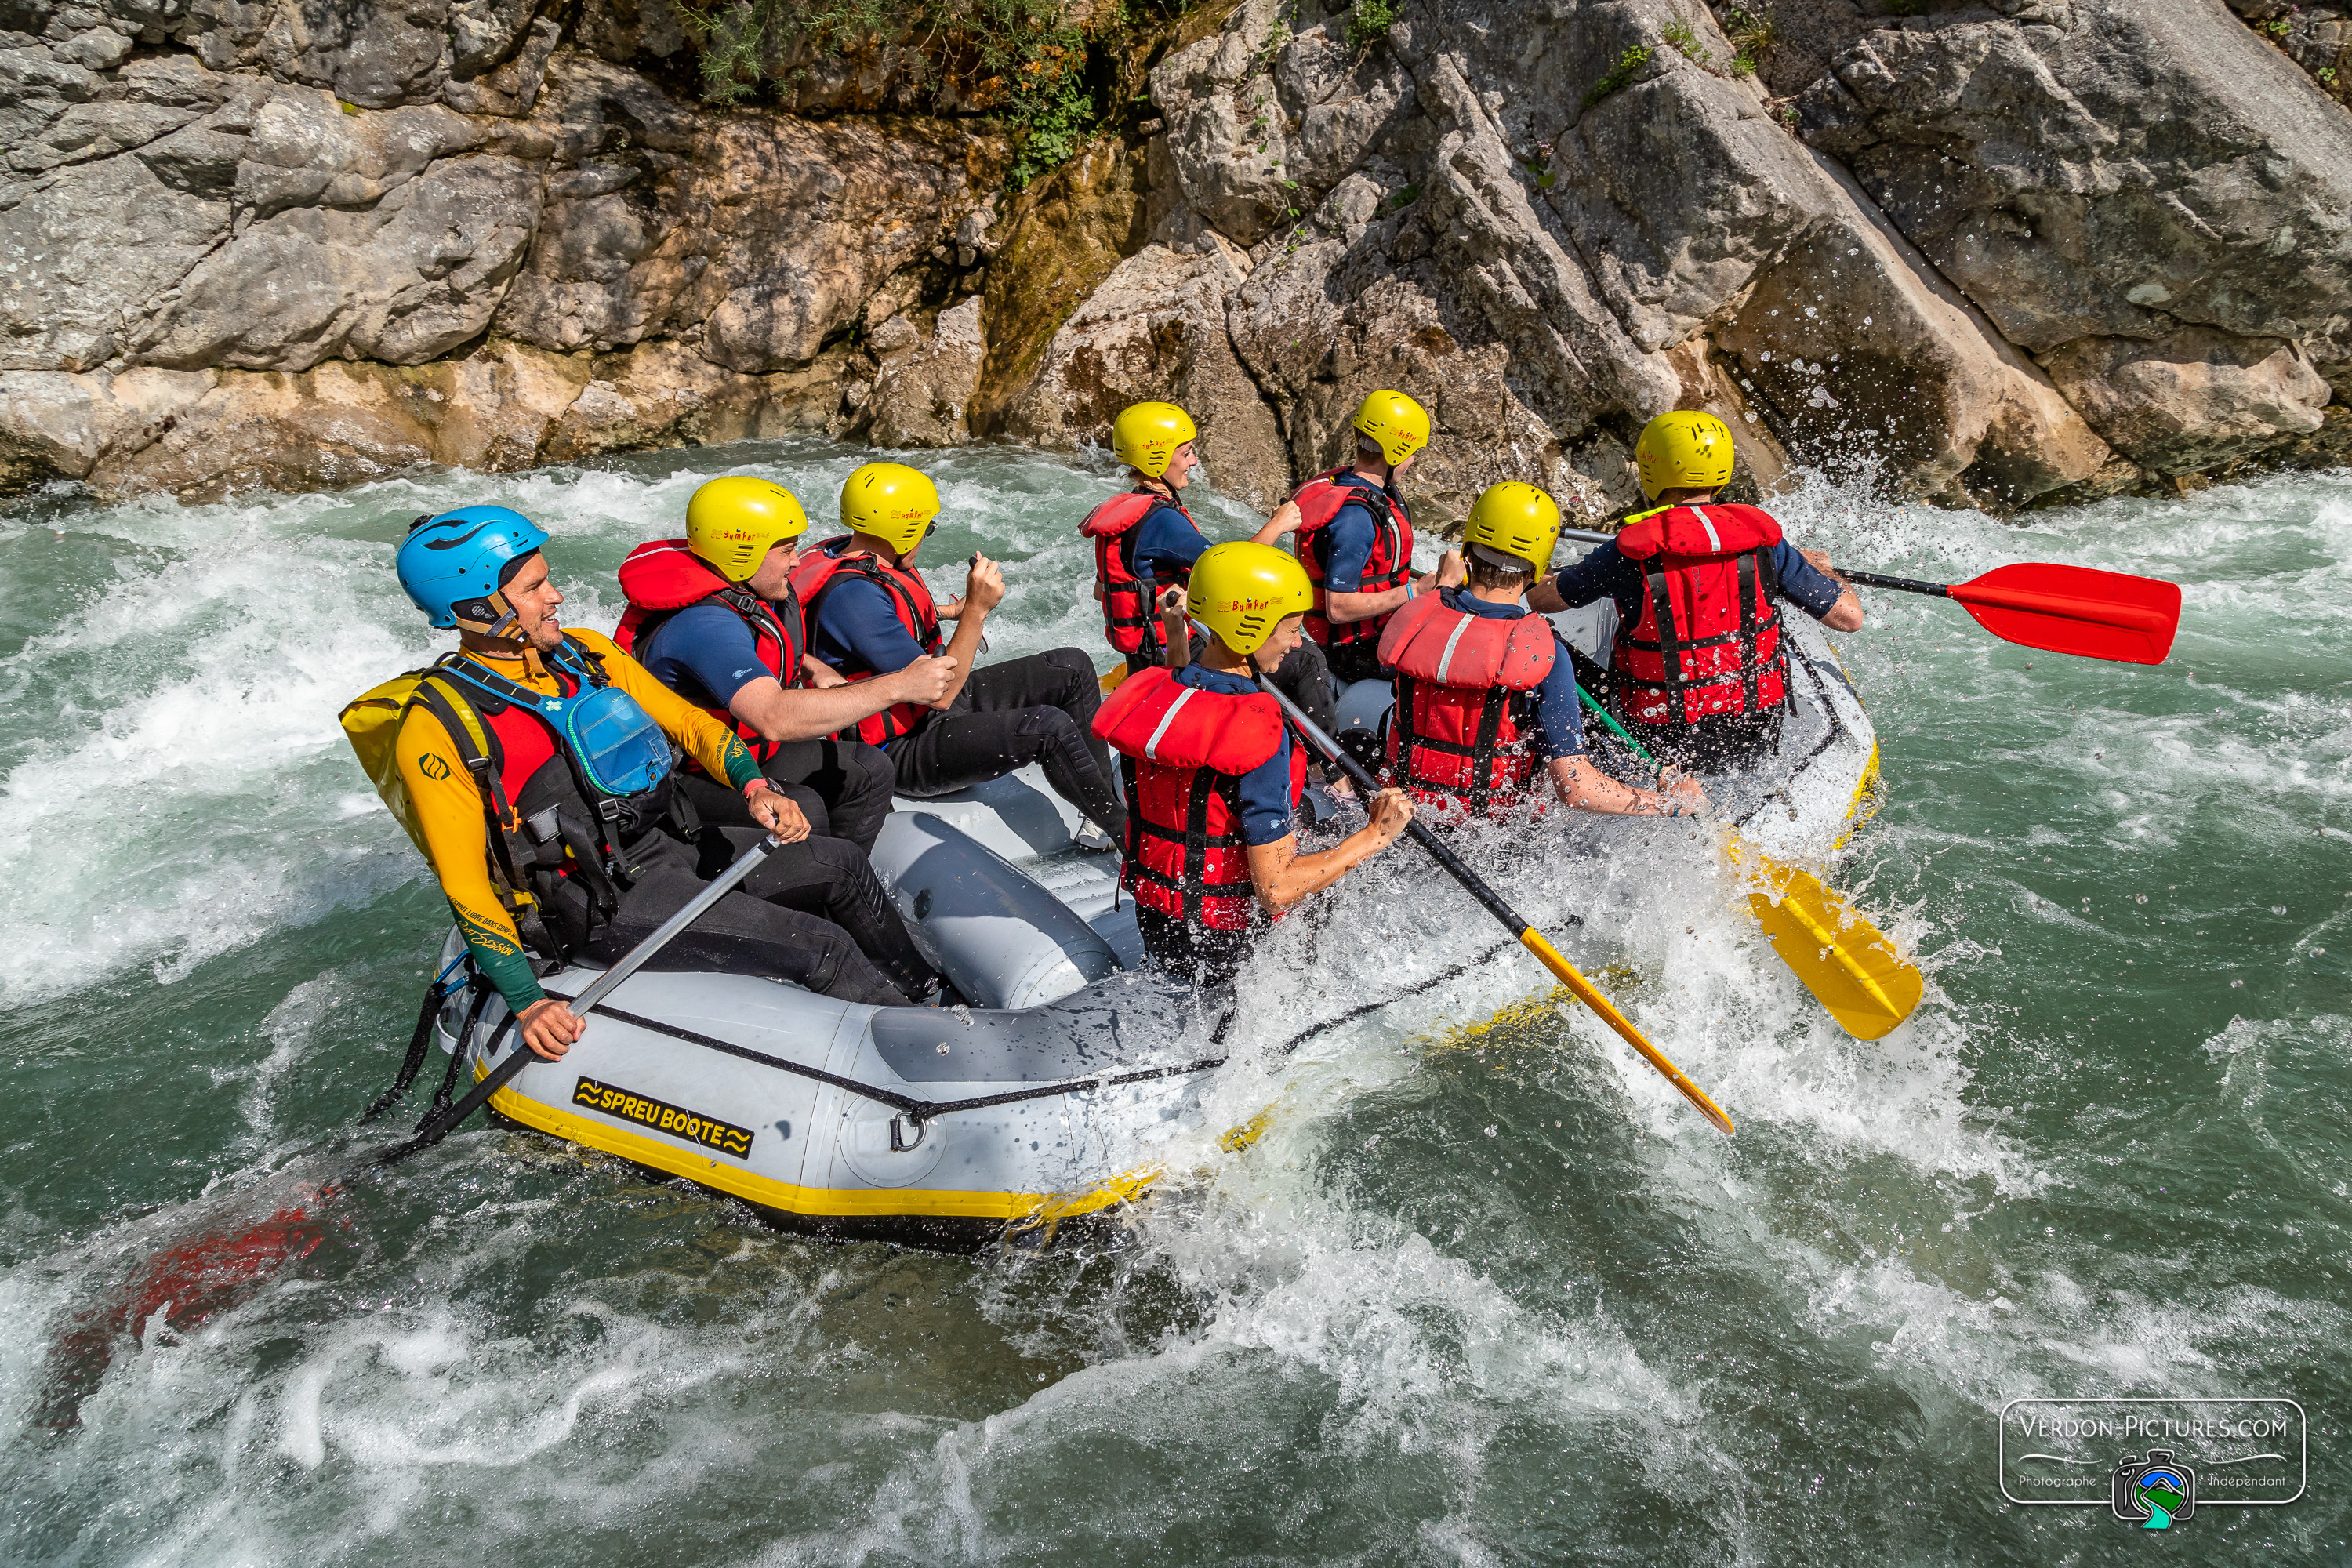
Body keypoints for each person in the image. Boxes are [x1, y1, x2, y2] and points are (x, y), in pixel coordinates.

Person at [381, 506, 941, 1063]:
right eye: (534, 588)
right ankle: (930, 1057)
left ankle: (931, 1002)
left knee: (840, 862)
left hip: (665, 846)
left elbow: (692, 726)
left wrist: (754, 786)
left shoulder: (583, 653)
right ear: (476, 608)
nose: (555, 595)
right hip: (601, 904)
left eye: (547, 578)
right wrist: (528, 1003)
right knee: (823, 945)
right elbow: (466, 885)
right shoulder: (437, 729)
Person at [1094, 542, 1415, 985]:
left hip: (1159, 925)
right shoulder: (1259, 733)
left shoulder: (1152, 691)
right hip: (1231, 951)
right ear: (1249, 631)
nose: (1298, 642)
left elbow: (1187, 686)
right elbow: (1276, 890)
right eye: (1290, 629)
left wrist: (1174, 630)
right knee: (1338, 846)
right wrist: (1374, 836)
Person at [616, 475, 953, 854]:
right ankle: (824, 876)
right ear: (741, 553)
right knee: (805, 809)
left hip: (746, 751)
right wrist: (899, 685)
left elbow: (761, 643)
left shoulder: (743, 586)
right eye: (787, 551)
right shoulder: (703, 623)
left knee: (868, 769)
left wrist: (811, 665)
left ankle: (843, 872)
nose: (797, 561)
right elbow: (773, 718)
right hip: (690, 775)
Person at [797, 462, 1128, 839]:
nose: (928, 535)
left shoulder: (850, 555)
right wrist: (976, 609)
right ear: (904, 530)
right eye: (927, 527)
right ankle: (1128, 836)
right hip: (903, 746)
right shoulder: (853, 596)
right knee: (1048, 727)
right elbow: (941, 694)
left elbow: (878, 620)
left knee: (1072, 666)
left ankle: (1104, 812)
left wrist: (943, 612)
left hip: (926, 712)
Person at [1530, 411, 1863, 772]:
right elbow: (1848, 618)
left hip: (1659, 740)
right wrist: (1820, 569)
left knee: (1545, 642)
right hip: (1756, 728)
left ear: (1650, 470)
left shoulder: (1626, 553)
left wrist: (1540, 567)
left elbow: (1541, 600)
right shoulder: (1766, 544)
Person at [1381, 482, 1708, 821]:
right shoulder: (1543, 655)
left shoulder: (1414, 617)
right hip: (1493, 834)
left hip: (1401, 819)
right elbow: (1577, 788)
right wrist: (1671, 803)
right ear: (1539, 568)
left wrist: (1446, 587)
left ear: (1465, 550)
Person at [1079, 401, 1338, 735]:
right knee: (1307, 660)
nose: (1193, 461)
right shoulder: (1161, 521)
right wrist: (1277, 524)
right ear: (1155, 457)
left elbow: (1102, 590)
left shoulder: (1131, 510)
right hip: (1176, 653)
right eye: (1186, 453)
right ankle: (1330, 777)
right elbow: (1231, 568)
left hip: (1146, 655)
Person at [1283, 390, 1461, 687]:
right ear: (1397, 451)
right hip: (1354, 652)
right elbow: (1338, 607)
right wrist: (1416, 592)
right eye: (1413, 452)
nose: (1413, 460)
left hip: (1372, 635)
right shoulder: (1356, 519)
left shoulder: (1361, 488)